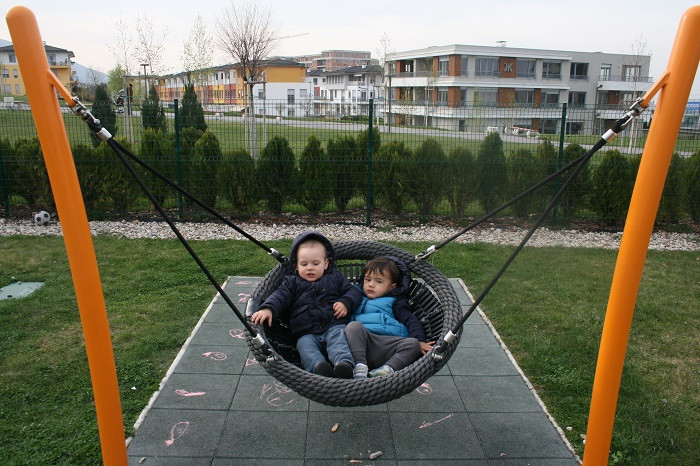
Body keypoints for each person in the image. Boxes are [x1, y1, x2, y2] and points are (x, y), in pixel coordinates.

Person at [250, 231, 362, 378]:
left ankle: (344, 364)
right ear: (296, 266)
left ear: (326, 264)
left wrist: (345, 302)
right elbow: (280, 296)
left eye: (316, 264)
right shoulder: (292, 282)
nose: (310, 268)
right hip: (306, 332)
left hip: (333, 324)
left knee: (339, 340)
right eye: (304, 264)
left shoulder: (335, 277)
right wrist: (268, 308)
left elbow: (354, 291)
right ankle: (318, 367)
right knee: (305, 347)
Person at [345, 256, 434, 379]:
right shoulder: (356, 297)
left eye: (378, 282)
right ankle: (359, 367)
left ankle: (386, 369)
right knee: (353, 327)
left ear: (391, 287)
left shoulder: (395, 302)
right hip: (360, 344)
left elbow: (410, 320)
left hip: (386, 345)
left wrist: (420, 340)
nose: (371, 285)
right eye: (368, 279)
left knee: (413, 344)